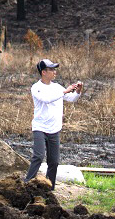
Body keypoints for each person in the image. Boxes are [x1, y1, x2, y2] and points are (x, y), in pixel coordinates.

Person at [24, 59, 82, 190]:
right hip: (40, 128)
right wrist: (65, 91)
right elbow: (47, 99)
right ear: (43, 72)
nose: (55, 72)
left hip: (54, 129)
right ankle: (26, 183)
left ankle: (49, 188)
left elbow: (71, 99)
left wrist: (77, 91)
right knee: (38, 156)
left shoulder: (57, 87)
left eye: (55, 69)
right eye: (51, 69)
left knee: (54, 162)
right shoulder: (36, 88)